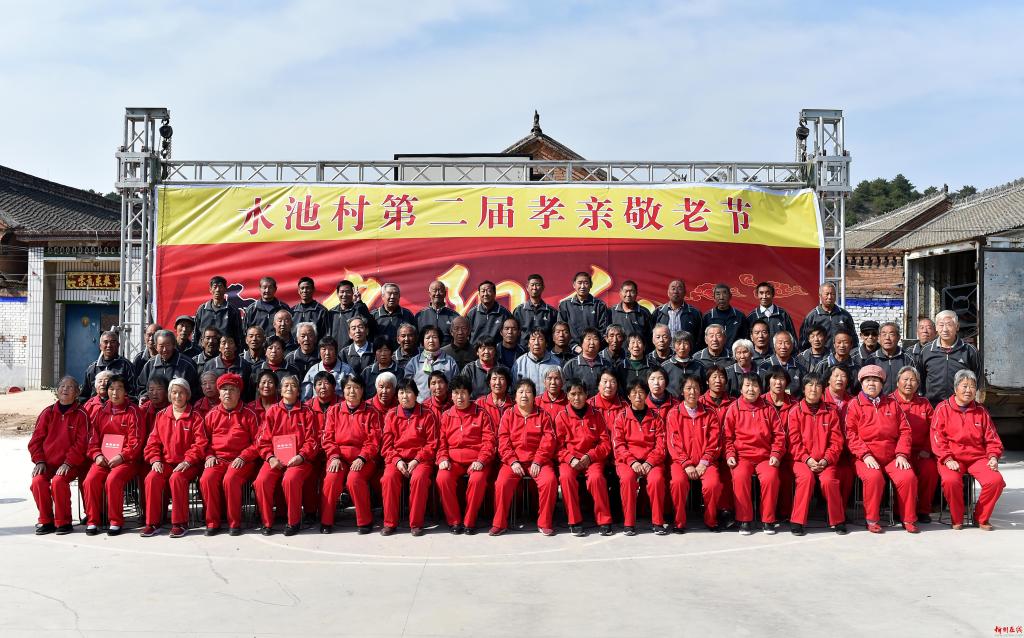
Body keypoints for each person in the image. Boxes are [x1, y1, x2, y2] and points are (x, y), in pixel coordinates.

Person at [844, 365, 919, 534]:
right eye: (868, 380)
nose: (872, 384)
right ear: (861, 383)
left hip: (892, 456)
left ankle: (908, 519)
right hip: (865, 456)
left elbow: (905, 431)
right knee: (874, 478)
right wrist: (865, 454)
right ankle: (872, 519)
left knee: (908, 477)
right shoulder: (854, 405)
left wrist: (901, 454)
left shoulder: (892, 404)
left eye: (876, 380)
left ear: (882, 384)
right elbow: (850, 434)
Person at [931, 370, 1005, 530]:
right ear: (955, 388)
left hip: (977, 457)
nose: (968, 390)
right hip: (951, 458)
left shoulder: (981, 411)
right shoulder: (942, 408)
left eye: (972, 386)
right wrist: (947, 458)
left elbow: (992, 438)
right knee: (950, 481)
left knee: (995, 481)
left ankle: (981, 518)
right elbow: (937, 438)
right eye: (964, 386)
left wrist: (993, 456)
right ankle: (957, 518)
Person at [140, 378, 208, 538]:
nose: (178, 396)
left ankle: (180, 523)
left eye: (181, 393)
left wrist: (188, 460)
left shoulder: (195, 416)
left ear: (187, 395)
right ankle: (153, 522)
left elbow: (200, 444)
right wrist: (155, 459)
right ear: (169, 395)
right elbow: (153, 442)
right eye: (174, 392)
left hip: (188, 464)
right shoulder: (161, 415)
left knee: (177, 478)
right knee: (151, 478)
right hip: (165, 463)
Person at [490, 379, 558, 536]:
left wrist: (538, 460)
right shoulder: (508, 415)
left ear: (534, 396)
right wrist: (512, 461)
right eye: (520, 392)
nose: (524, 395)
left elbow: (549, 441)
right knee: (501, 483)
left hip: (539, 462)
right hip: (513, 462)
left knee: (549, 481)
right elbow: (503, 441)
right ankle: (499, 523)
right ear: (515, 396)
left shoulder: (543, 415)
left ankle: (544, 523)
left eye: (528, 392)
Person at [254, 375, 318, 536]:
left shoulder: (307, 411)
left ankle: (293, 522)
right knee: (261, 481)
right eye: (286, 385)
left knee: (290, 479)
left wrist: (301, 456)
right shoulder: (272, 411)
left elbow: (312, 440)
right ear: (280, 391)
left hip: (300, 460)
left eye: (293, 386)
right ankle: (267, 522)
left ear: (298, 391)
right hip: (275, 459)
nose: (289, 388)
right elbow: (262, 441)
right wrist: (270, 457)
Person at [199, 373, 261, 536]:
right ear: (219, 394)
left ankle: (234, 523)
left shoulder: (249, 414)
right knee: (206, 479)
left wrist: (243, 456)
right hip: (217, 459)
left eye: (232, 389)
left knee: (230, 479)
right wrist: (209, 456)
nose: (227, 393)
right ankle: (213, 522)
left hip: (242, 460)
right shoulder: (211, 414)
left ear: (239, 393)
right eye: (224, 389)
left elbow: (258, 442)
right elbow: (203, 441)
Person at [723, 373, 785, 536]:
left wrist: (776, 454)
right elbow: (727, 437)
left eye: (755, 386)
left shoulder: (768, 408)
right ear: (741, 389)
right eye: (747, 385)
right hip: (742, 456)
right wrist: (730, 454)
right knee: (740, 477)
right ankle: (744, 519)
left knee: (771, 478)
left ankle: (768, 519)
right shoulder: (733, 408)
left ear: (760, 389)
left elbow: (779, 435)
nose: (751, 389)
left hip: (765, 456)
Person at [82, 374, 144, 536]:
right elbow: (92, 438)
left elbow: (136, 441)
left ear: (126, 391)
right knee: (90, 480)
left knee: (113, 479)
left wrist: (122, 456)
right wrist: (96, 455)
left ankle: (115, 521)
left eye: (119, 389)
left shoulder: (133, 411)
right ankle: (93, 520)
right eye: (111, 389)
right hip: (103, 459)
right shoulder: (100, 411)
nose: (115, 393)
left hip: (126, 460)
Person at [786, 374, 848, 535]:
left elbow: (837, 441)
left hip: (826, 461)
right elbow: (793, 442)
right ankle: (797, 521)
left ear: (823, 390)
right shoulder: (795, 411)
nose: (814, 389)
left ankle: (838, 520)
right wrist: (807, 459)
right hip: (802, 460)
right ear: (804, 388)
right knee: (806, 478)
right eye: (810, 385)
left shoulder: (830, 411)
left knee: (829, 481)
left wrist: (827, 459)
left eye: (818, 386)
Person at [320, 375, 382, 534]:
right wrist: (334, 456)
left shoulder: (371, 412)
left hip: (363, 458)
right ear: (343, 390)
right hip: (339, 457)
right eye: (348, 387)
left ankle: (365, 520)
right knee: (331, 479)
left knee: (354, 480)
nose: (352, 391)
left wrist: (362, 457)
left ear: (362, 390)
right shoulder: (334, 410)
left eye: (356, 387)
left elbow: (374, 441)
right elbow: (327, 438)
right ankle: (326, 520)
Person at [436, 377, 497, 534]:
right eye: (456, 393)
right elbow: (441, 443)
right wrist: (443, 458)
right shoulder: (446, 415)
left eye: (463, 393)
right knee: (442, 478)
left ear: (470, 394)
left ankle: (470, 521)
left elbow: (489, 442)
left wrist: (481, 460)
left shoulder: (481, 414)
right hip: (453, 461)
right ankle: (454, 521)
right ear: (451, 395)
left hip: (477, 460)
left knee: (477, 480)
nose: (460, 397)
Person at [29, 376, 88, 535]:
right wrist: (39, 461)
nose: (65, 389)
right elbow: (35, 441)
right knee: (37, 481)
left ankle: (64, 522)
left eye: (70, 387)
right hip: (47, 463)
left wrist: (68, 462)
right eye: (62, 386)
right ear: (57, 390)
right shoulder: (47, 413)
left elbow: (82, 443)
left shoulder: (81, 414)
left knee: (58, 481)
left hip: (72, 463)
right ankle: (46, 520)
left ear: (77, 392)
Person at [555, 379, 614, 537]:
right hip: (570, 459)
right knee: (566, 477)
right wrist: (570, 458)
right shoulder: (561, 416)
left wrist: (591, 456)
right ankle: (574, 520)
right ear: (567, 396)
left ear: (586, 394)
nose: (577, 398)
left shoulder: (596, 414)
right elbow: (557, 446)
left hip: (592, 458)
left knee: (596, 478)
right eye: (573, 394)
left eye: (580, 393)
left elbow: (605, 443)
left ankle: (604, 520)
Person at [380, 379, 439, 536]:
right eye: (401, 392)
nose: (404, 396)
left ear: (416, 394)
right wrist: (397, 461)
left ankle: (416, 523)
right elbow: (386, 446)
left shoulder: (427, 414)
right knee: (388, 478)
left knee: (419, 479)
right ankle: (390, 523)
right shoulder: (391, 415)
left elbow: (432, 444)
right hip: (396, 459)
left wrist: (417, 459)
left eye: (408, 392)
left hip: (421, 459)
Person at [666, 374, 723, 532]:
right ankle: (679, 522)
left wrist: (704, 462)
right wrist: (686, 464)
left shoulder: (710, 413)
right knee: (677, 483)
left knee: (713, 484)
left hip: (706, 462)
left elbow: (715, 441)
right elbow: (673, 443)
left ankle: (711, 520)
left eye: (696, 388)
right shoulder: (673, 413)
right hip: (681, 462)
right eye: (688, 388)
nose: (692, 392)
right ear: (682, 391)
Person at [613, 380, 668, 536]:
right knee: (627, 479)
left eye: (641, 392)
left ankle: (657, 522)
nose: (638, 396)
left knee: (656, 480)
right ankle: (629, 523)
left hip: (652, 461)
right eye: (634, 393)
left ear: (646, 395)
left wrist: (650, 462)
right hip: (628, 461)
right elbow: (618, 444)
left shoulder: (656, 417)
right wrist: (632, 462)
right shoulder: (621, 416)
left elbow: (661, 445)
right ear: (629, 396)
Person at [891, 366, 938, 524]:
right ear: (897, 382)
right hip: (897, 453)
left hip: (920, 452)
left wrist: (927, 449)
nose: (909, 383)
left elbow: (934, 429)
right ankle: (900, 510)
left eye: (913, 380)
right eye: (905, 379)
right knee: (904, 474)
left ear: (918, 384)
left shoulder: (924, 403)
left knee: (930, 470)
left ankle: (923, 510)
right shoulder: (889, 401)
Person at [918, 310, 980, 406]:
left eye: (949, 325)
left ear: (957, 327)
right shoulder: (926, 350)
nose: (945, 329)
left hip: (961, 406)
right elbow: (920, 379)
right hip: (932, 406)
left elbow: (977, 378)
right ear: (936, 328)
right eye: (941, 325)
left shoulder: (969, 350)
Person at [302, 371, 338, 523]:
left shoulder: (341, 404)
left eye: (326, 383)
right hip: (313, 451)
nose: (322, 387)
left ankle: (326, 513)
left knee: (329, 478)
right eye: (319, 384)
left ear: (334, 386)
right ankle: (310, 512)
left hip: (334, 451)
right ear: (314, 387)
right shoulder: (307, 407)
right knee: (309, 476)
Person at [136, 329, 200, 400]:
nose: (164, 349)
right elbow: (141, 387)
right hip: (154, 405)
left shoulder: (187, 364)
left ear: (174, 345)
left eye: (168, 345)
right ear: (155, 347)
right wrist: (144, 396)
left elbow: (195, 390)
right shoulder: (150, 364)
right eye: (161, 346)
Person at [558, 271, 610, 353]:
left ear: (591, 285)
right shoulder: (565, 305)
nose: (582, 286)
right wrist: (574, 346)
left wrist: (591, 345)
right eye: (579, 283)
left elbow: (603, 330)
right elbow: (561, 329)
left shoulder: (599, 305)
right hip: (571, 352)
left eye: (586, 283)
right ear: (574, 285)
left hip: (593, 351)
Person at [405, 326, 459, 400]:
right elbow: (408, 387)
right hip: (421, 405)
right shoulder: (414, 363)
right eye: (427, 338)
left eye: (434, 337)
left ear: (440, 340)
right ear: (422, 341)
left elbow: (456, 386)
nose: (431, 340)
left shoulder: (450, 362)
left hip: (445, 404)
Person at [798, 282, 858, 350]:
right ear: (820, 295)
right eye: (827, 294)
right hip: (820, 355)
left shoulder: (844, 315)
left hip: (841, 355)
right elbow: (803, 342)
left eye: (832, 294)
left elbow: (853, 339)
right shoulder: (812, 317)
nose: (830, 297)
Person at [83, 331, 136, 400]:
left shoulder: (127, 366)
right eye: (106, 342)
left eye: (113, 342)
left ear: (118, 345)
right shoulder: (92, 369)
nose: (109, 345)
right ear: (100, 346)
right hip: (96, 406)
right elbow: (84, 395)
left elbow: (133, 394)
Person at [194, 275, 243, 348]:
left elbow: (238, 335)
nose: (217, 290)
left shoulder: (233, 310)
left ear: (225, 289)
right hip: (204, 350)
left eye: (220, 286)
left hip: (224, 350)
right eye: (215, 287)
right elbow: (196, 333)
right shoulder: (202, 309)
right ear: (210, 290)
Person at [868, 322, 916, 395]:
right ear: (879, 338)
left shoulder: (908, 358)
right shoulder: (871, 360)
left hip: (902, 400)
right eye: (884, 334)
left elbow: (915, 382)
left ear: (898, 337)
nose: (887, 338)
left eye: (891, 334)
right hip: (879, 400)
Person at [652, 279, 702, 347]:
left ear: (684, 293)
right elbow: (652, 336)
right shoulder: (658, 312)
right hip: (665, 352)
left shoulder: (695, 313)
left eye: (679, 289)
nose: (676, 291)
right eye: (673, 288)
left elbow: (700, 337)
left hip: (686, 352)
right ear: (668, 292)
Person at [301, 336, 353, 401]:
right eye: (324, 349)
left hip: (340, 405)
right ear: (319, 352)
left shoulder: (347, 370)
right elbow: (305, 397)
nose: (327, 353)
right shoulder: (313, 370)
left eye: (331, 349)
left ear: (336, 351)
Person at [513, 273, 557, 349]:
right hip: (523, 351)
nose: (535, 288)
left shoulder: (551, 312)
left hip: (545, 352)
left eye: (537, 285)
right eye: (532, 285)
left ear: (543, 287)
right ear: (527, 287)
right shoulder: (519, 311)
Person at [561, 328, 610, 397]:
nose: (592, 342)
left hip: (601, 402)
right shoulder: (571, 365)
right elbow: (565, 390)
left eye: (595, 339)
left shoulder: (607, 364)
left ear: (599, 344)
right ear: (581, 343)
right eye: (588, 339)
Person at [203, 334, 253, 400]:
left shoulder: (245, 365)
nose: (227, 346)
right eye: (223, 343)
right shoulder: (210, 365)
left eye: (230, 343)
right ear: (219, 347)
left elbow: (249, 391)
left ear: (235, 347)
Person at [327, 279, 375, 348]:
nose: (344, 295)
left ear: (353, 293)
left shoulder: (358, 310)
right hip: (334, 352)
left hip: (352, 351)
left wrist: (359, 303)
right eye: (342, 292)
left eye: (348, 292)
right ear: (337, 294)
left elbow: (371, 324)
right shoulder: (332, 313)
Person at [466, 280, 513, 345]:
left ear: (494, 293)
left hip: (496, 350)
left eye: (489, 291)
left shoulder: (504, 313)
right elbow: (466, 335)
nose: (485, 294)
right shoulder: (472, 313)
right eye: (483, 291)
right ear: (479, 294)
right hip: (476, 350)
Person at [759, 331, 804, 397]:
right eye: (780, 343)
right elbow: (761, 391)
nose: (783, 346)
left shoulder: (800, 368)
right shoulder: (765, 366)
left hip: (795, 402)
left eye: (787, 343)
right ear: (774, 345)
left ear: (792, 345)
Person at [703, 284, 748, 349]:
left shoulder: (740, 316)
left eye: (724, 293)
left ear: (730, 296)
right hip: (715, 353)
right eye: (718, 294)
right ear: (714, 297)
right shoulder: (707, 317)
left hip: (735, 353)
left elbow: (745, 338)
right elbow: (703, 341)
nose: (721, 297)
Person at [415, 280, 459, 346]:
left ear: (445, 293)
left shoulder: (455, 316)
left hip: (447, 352)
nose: (437, 293)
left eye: (440, 290)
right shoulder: (419, 316)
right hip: (425, 352)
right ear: (429, 294)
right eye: (434, 290)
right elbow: (415, 340)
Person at [662, 331, 703, 397]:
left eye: (686, 343)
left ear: (690, 346)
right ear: (673, 346)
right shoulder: (665, 366)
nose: (682, 347)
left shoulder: (699, 366)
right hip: (672, 402)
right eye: (679, 343)